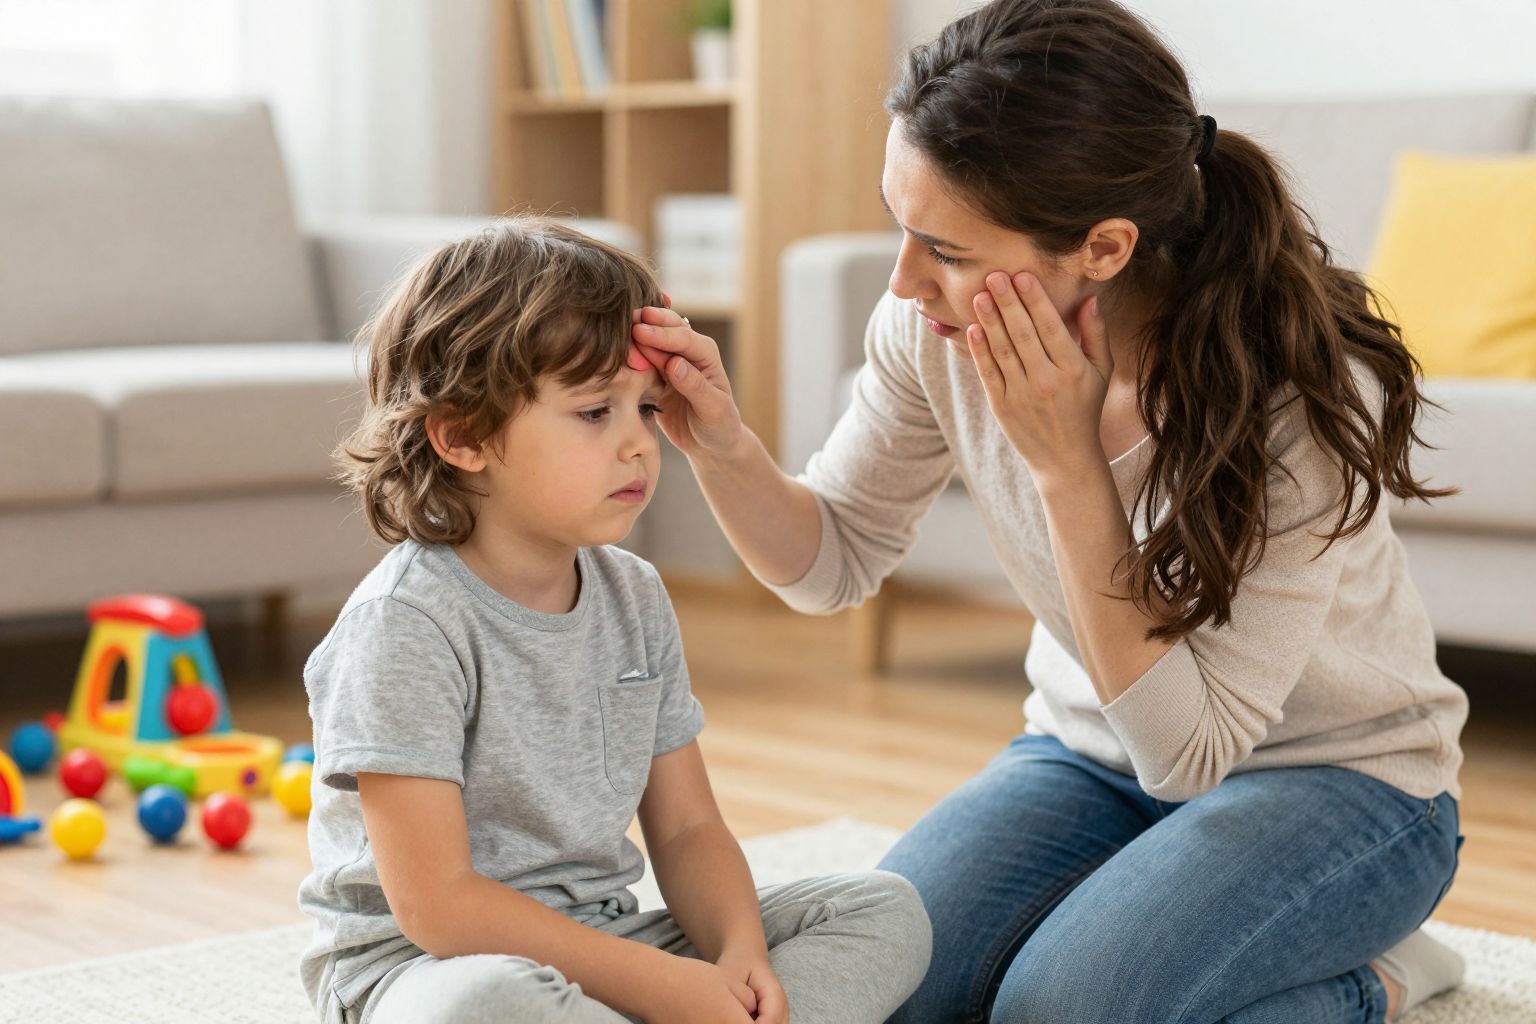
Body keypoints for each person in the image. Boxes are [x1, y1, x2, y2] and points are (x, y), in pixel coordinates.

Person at [626, 1, 1469, 1020]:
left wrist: (1069, 467)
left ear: (1104, 247)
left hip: (1344, 782)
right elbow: (829, 562)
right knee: (873, 987)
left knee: (1058, 1008)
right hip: (1088, 754)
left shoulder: (1290, 392)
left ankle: (1378, 978)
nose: (903, 282)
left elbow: (1192, 753)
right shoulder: (928, 328)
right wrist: (722, 445)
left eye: (945, 248)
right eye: (903, 227)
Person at [296, 217, 932, 1024]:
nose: (641, 444)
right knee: (491, 1003)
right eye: (596, 412)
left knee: (883, 908)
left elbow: (691, 827)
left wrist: (739, 953)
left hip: (608, 940)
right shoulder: (405, 625)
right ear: (462, 435)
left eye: (647, 407)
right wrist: (664, 987)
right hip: (427, 972)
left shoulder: (632, 593)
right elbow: (439, 908)